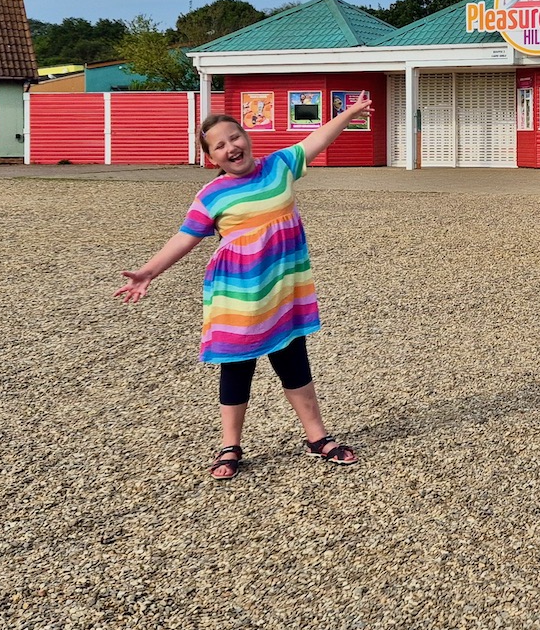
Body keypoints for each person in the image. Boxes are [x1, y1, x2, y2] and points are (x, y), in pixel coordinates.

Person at [115, 94, 373, 480]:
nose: (231, 147)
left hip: (284, 291)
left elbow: (318, 139)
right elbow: (185, 238)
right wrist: (149, 271)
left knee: (294, 362)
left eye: (234, 137)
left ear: (246, 137)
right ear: (212, 158)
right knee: (237, 368)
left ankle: (317, 438)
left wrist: (349, 114)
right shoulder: (211, 195)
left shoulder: (280, 166)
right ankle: (230, 445)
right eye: (219, 145)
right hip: (238, 296)